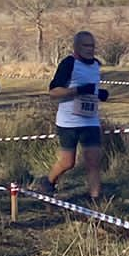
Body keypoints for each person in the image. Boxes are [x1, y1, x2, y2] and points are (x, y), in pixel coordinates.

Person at [39, 31, 108, 202]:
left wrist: (99, 94)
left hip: (90, 120)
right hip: (68, 121)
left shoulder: (96, 65)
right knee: (68, 162)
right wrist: (77, 90)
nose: (90, 49)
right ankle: (47, 182)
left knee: (94, 161)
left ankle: (95, 200)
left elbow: (92, 90)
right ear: (76, 47)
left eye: (92, 45)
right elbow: (53, 92)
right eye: (86, 45)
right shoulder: (69, 63)